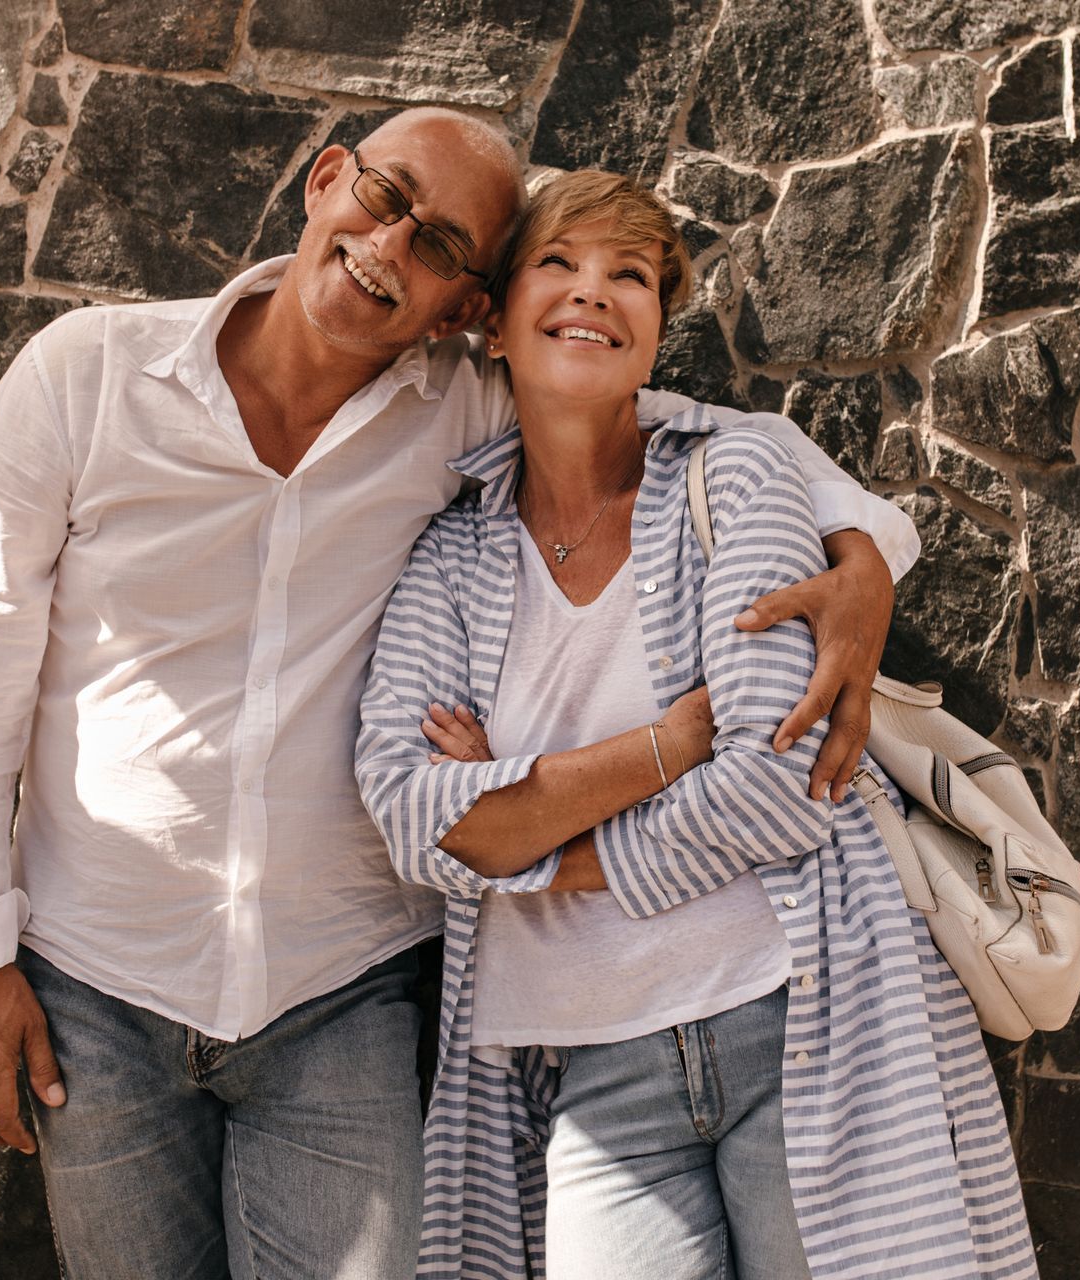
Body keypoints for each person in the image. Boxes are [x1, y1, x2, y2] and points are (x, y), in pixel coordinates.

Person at [0, 109, 920, 1278]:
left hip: (338, 996)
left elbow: (652, 418)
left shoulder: (464, 416)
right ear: (327, 181)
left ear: (467, 309)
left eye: (441, 248)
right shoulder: (87, 376)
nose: (391, 245)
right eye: (384, 198)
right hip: (95, 981)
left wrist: (862, 550)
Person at [356, 170, 1037, 1279]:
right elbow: (416, 821)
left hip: (804, 1017)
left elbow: (780, 778)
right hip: (589, 1071)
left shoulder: (740, 474)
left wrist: (527, 825)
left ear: (658, 326)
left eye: (631, 275)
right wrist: (673, 744)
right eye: (560, 264)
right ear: (493, 316)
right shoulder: (451, 557)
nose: (595, 293)